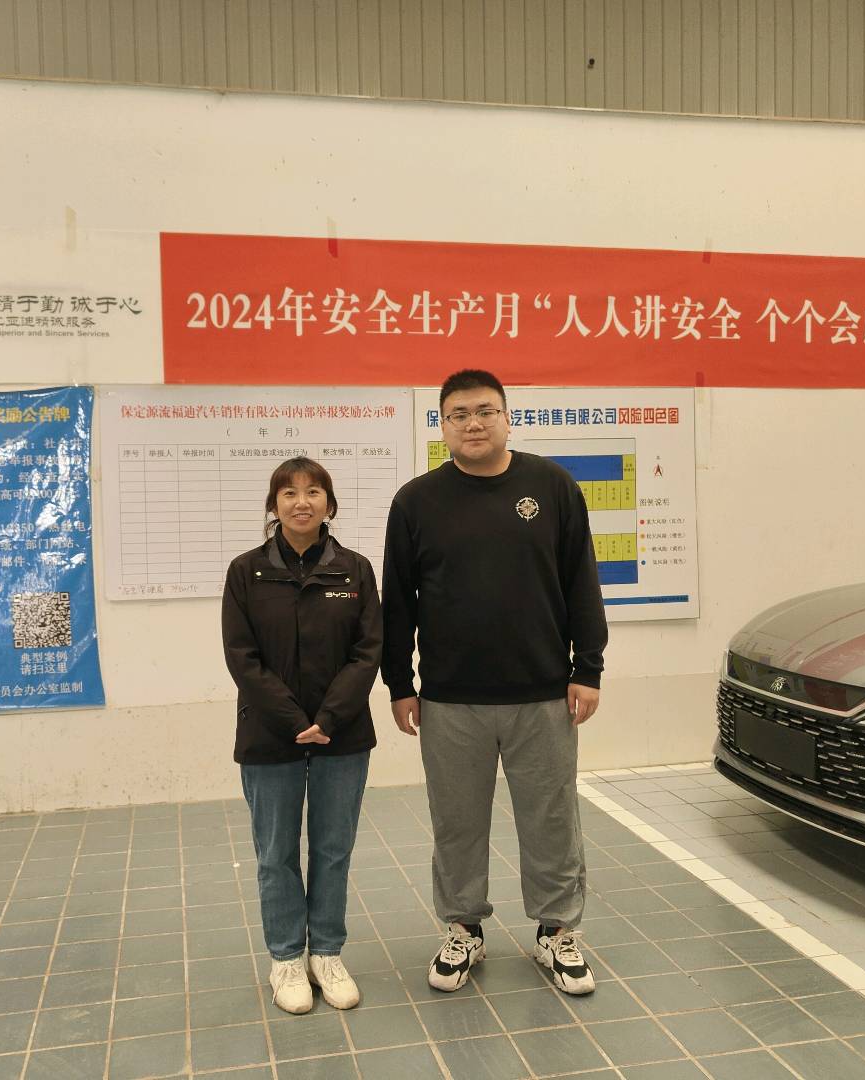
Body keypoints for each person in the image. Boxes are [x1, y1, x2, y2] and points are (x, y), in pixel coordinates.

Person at [381, 369, 608, 996]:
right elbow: (398, 602)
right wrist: (399, 683)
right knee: (457, 822)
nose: (473, 424)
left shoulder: (552, 487)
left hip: (544, 693)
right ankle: (463, 929)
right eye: (458, 414)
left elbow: (581, 582)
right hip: (450, 699)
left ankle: (557, 932)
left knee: (552, 818)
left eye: (485, 411)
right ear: (442, 425)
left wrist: (588, 668)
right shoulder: (416, 502)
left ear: (507, 416)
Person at [222, 456, 382, 1014]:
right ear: (274, 505)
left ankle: (327, 953)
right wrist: (296, 721)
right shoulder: (246, 572)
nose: (301, 502)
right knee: (276, 854)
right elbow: (242, 657)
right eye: (288, 493)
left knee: (334, 849)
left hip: (343, 734)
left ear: (329, 505)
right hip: (270, 735)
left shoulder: (355, 570)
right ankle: (287, 958)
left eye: (314, 492)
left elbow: (368, 652)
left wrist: (329, 718)